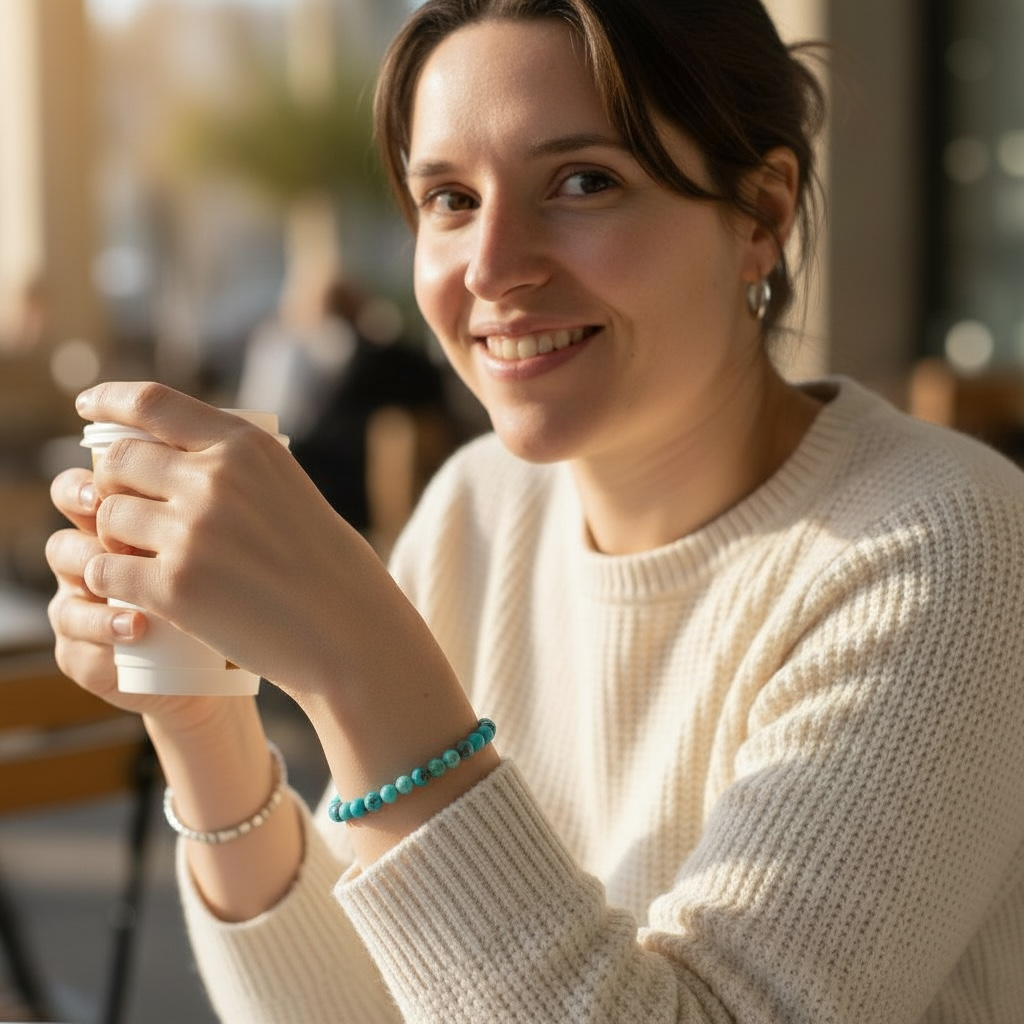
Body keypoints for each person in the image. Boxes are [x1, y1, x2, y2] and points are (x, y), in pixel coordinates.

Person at [44, 1, 1024, 1021]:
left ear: (761, 215)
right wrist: (202, 726)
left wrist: (358, 655)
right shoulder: (481, 506)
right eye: (452, 197)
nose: (493, 266)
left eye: (583, 181)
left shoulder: (947, 544)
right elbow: (369, 1006)